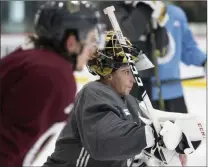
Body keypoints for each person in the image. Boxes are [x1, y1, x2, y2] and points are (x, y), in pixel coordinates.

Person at [42, 31, 199, 167]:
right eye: (126, 72)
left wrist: (160, 146)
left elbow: (138, 134)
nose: (132, 79)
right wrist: (151, 135)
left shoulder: (129, 101)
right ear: (108, 72)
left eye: (133, 71)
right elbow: (104, 142)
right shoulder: (94, 93)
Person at [0, 1, 106, 166]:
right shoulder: (54, 74)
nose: (93, 50)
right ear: (71, 42)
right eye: (91, 39)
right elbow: (8, 149)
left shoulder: (30, 59)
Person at [96, 1, 206, 113]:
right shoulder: (130, 12)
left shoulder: (176, 13)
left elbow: (187, 48)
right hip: (142, 91)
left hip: (174, 93)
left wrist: (204, 61)